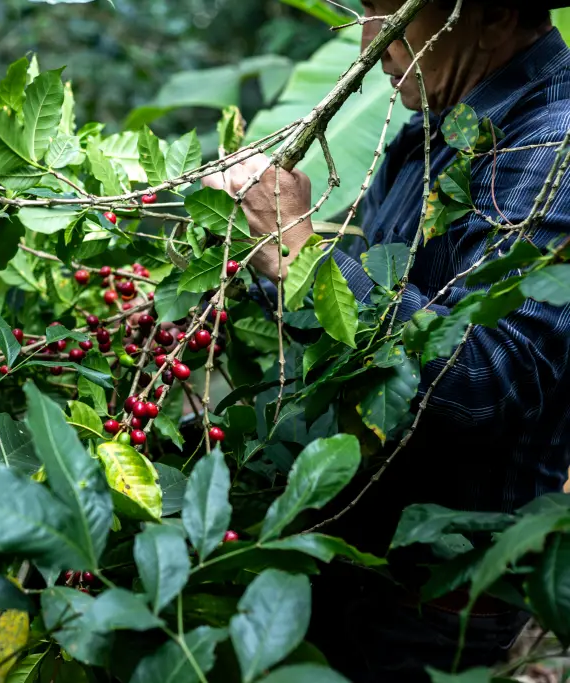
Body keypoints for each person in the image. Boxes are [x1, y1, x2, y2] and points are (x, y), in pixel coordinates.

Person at [201, 1, 570, 681]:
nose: (371, 39)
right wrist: (259, 260)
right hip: (360, 565)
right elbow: (370, 323)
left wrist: (300, 255)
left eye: (392, 10)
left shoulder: (554, 146)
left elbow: (484, 378)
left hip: (434, 605)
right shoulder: (446, 120)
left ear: (490, 14)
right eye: (365, 7)